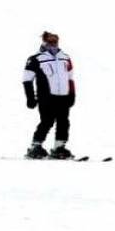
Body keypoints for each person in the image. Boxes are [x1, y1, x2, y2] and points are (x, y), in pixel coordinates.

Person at [22, 31, 75, 159]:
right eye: (50, 42)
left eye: (55, 42)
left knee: (64, 122)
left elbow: (70, 78)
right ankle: (35, 146)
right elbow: (27, 79)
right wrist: (30, 98)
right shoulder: (36, 59)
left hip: (63, 96)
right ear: (44, 42)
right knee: (47, 121)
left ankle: (59, 147)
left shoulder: (65, 57)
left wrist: (72, 94)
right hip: (46, 97)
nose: (53, 44)